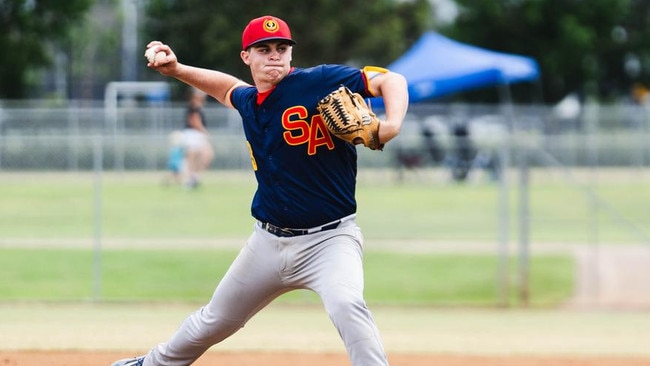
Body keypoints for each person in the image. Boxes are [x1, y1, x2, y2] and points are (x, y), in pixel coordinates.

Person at [112, 15, 408, 366]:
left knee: (347, 305)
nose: (274, 56)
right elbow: (224, 88)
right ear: (246, 57)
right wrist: (176, 69)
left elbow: (392, 80)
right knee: (215, 320)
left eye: (281, 48)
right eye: (263, 49)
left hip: (330, 240)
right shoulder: (250, 103)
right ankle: (151, 364)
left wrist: (390, 125)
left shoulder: (320, 80)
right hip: (267, 243)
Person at [182, 88, 214, 189]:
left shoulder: (197, 106)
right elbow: (194, 121)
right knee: (194, 156)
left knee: (202, 156)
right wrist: (204, 132)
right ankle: (190, 178)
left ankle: (193, 177)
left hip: (196, 134)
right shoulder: (194, 106)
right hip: (194, 134)